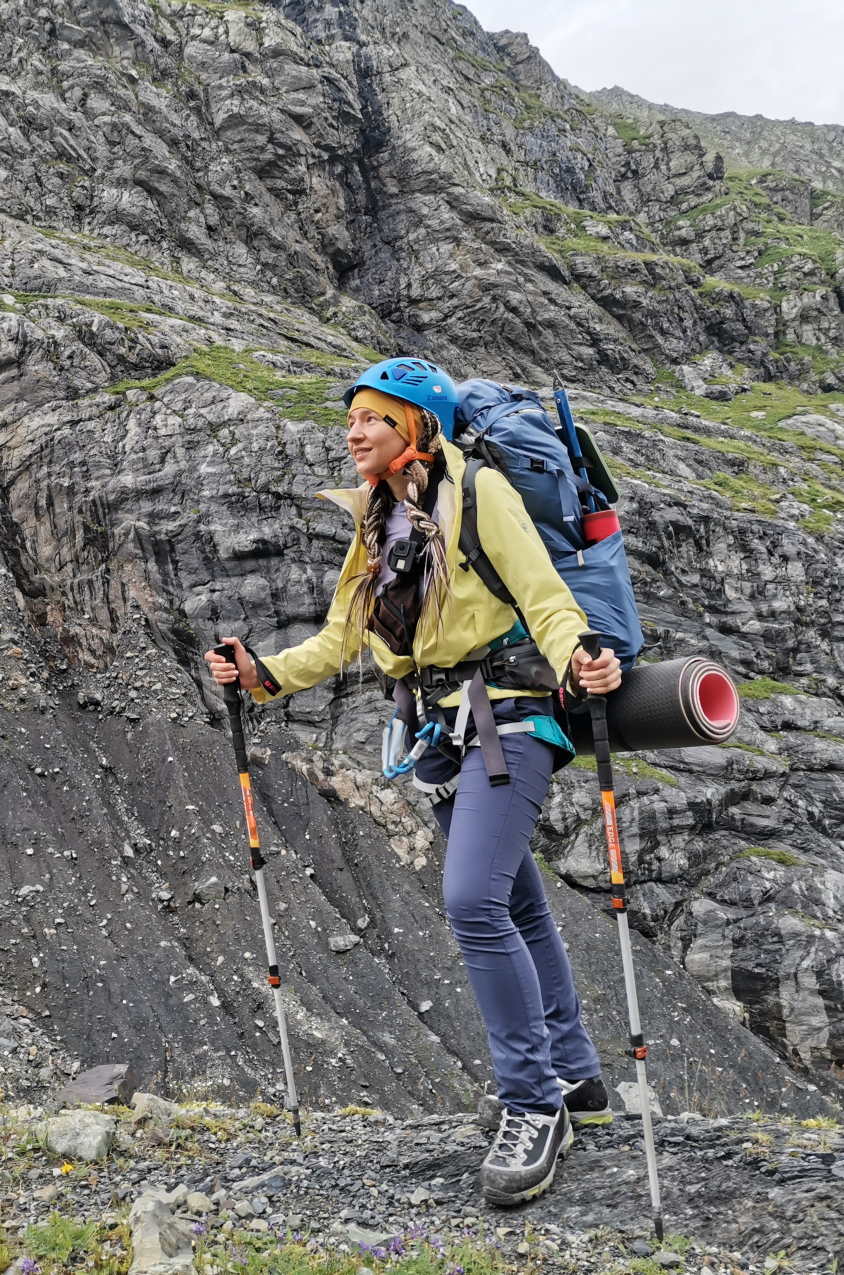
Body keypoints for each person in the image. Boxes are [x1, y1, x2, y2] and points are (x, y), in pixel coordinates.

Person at [203, 357, 621, 1207]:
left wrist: (580, 657)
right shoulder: (375, 520)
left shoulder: (482, 494)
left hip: (510, 717)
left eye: (372, 419)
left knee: (472, 900)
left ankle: (533, 1105)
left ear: (418, 430)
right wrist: (262, 674)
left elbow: (542, 597)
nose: (353, 432)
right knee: (517, 905)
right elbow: (337, 638)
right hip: (441, 734)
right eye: (352, 419)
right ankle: (575, 1078)